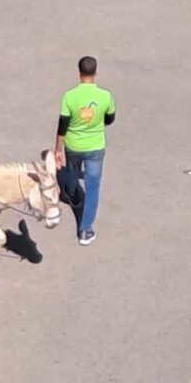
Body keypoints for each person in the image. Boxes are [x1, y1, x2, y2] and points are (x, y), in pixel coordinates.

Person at [54, 56, 115, 246]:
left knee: (71, 170)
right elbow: (110, 119)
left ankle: (70, 193)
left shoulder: (69, 96)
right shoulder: (105, 96)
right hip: (96, 146)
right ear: (95, 73)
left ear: (79, 73)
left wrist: (57, 149)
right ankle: (85, 229)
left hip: (73, 145)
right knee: (92, 186)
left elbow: (62, 125)